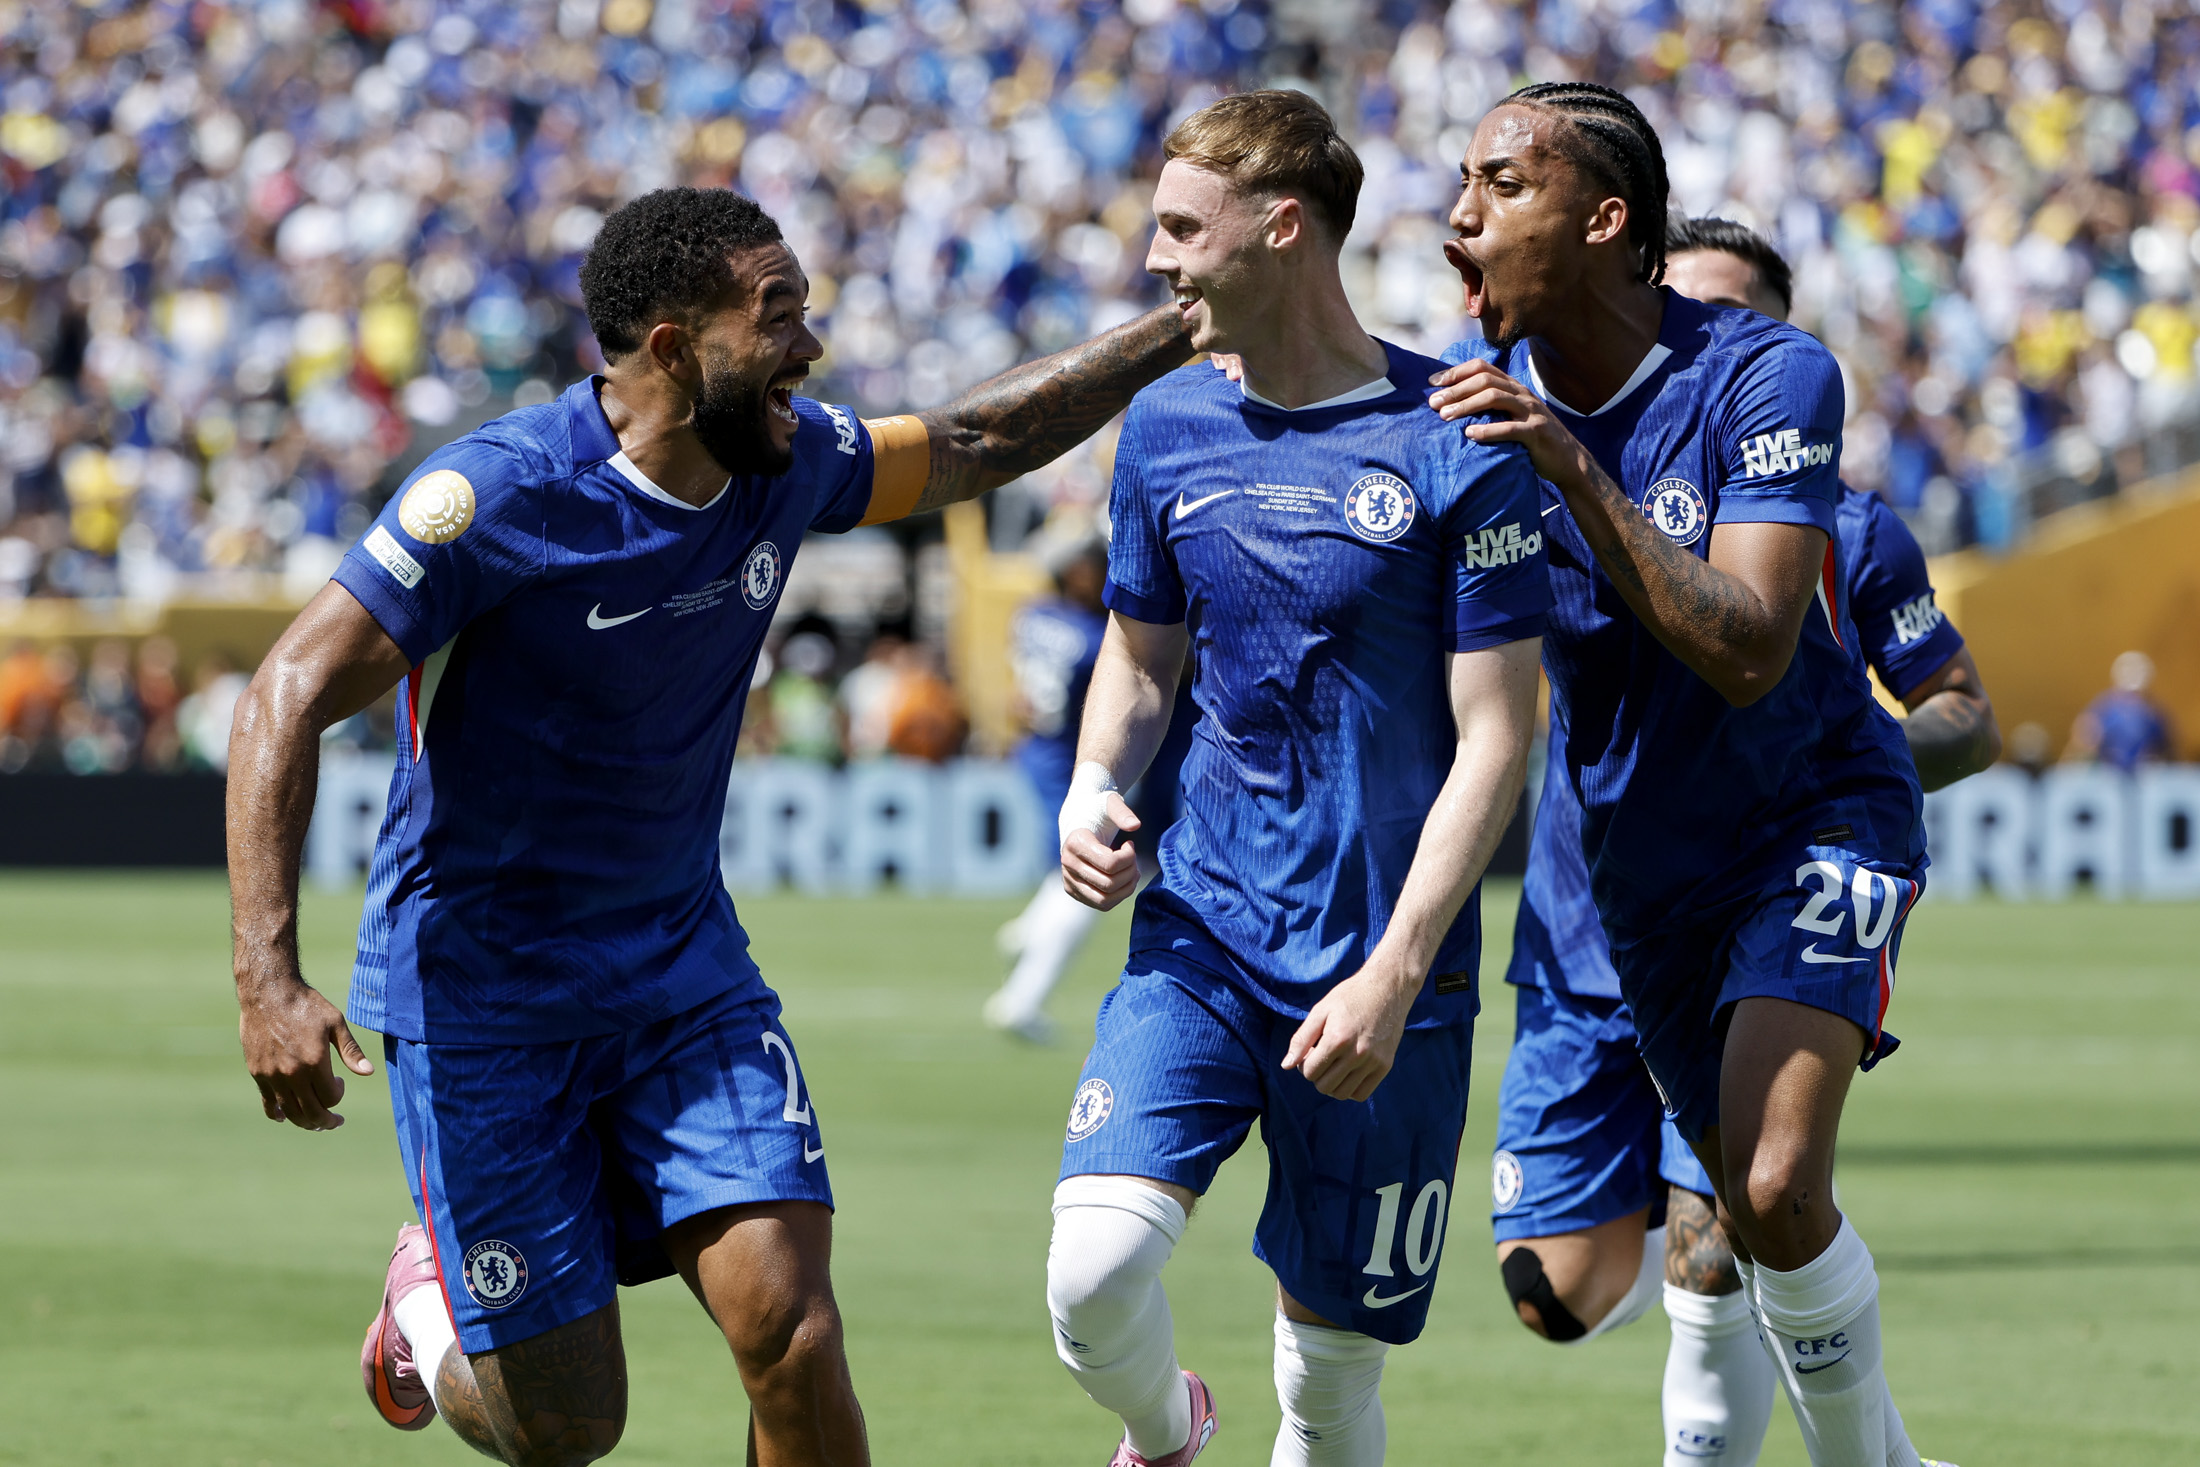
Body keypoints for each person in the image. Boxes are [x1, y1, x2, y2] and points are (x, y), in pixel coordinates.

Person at [225, 185, 1195, 1467]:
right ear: (677, 347)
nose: (811, 347)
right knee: (568, 1428)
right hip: (483, 1004)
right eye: (778, 317)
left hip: (683, 977)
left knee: (790, 1336)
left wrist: (1182, 326)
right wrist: (266, 975)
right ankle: (429, 1305)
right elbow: (286, 691)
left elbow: (969, 437)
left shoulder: (788, 461)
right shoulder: (499, 496)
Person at [1428, 85, 1956, 1467]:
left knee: (1768, 1191)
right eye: (1458, 185)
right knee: (1669, 1233)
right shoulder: (1464, 415)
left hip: (1811, 814)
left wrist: (1570, 469)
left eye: (1498, 182)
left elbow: (1749, 649)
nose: (1460, 213)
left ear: (1605, 220)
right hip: (1634, 880)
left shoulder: (1767, 374)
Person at [1049, 91, 1549, 1467]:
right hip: (1201, 932)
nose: (1155, 260)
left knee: (1330, 1388)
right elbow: (1140, 660)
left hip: (1389, 970)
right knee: (1089, 1272)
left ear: (1281, 229)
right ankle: (1169, 1430)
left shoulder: (1458, 435)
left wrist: (1394, 971)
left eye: (1179, 229)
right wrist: (1096, 783)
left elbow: (1500, 735)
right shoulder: (1160, 430)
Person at [986, 525, 1113, 1043]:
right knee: (1088, 864)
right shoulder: (1093, 640)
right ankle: (1024, 987)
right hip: (1069, 759)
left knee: (1066, 863)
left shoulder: (1031, 617)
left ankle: (1028, 932)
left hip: (1033, 747)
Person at [2066, 650, 2174, 770]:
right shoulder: (2103, 707)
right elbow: (2083, 739)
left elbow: (2168, 749)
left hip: (2144, 773)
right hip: (2107, 771)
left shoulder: (2154, 712)